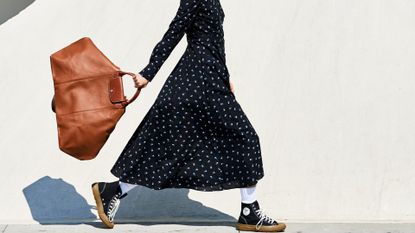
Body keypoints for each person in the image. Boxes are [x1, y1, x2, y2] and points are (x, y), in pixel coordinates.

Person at [91, 0, 286, 231]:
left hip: (210, 80)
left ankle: (113, 190)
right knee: (240, 138)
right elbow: (174, 32)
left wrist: (225, 76)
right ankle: (249, 212)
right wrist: (148, 73)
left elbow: (214, 42)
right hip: (193, 82)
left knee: (181, 146)